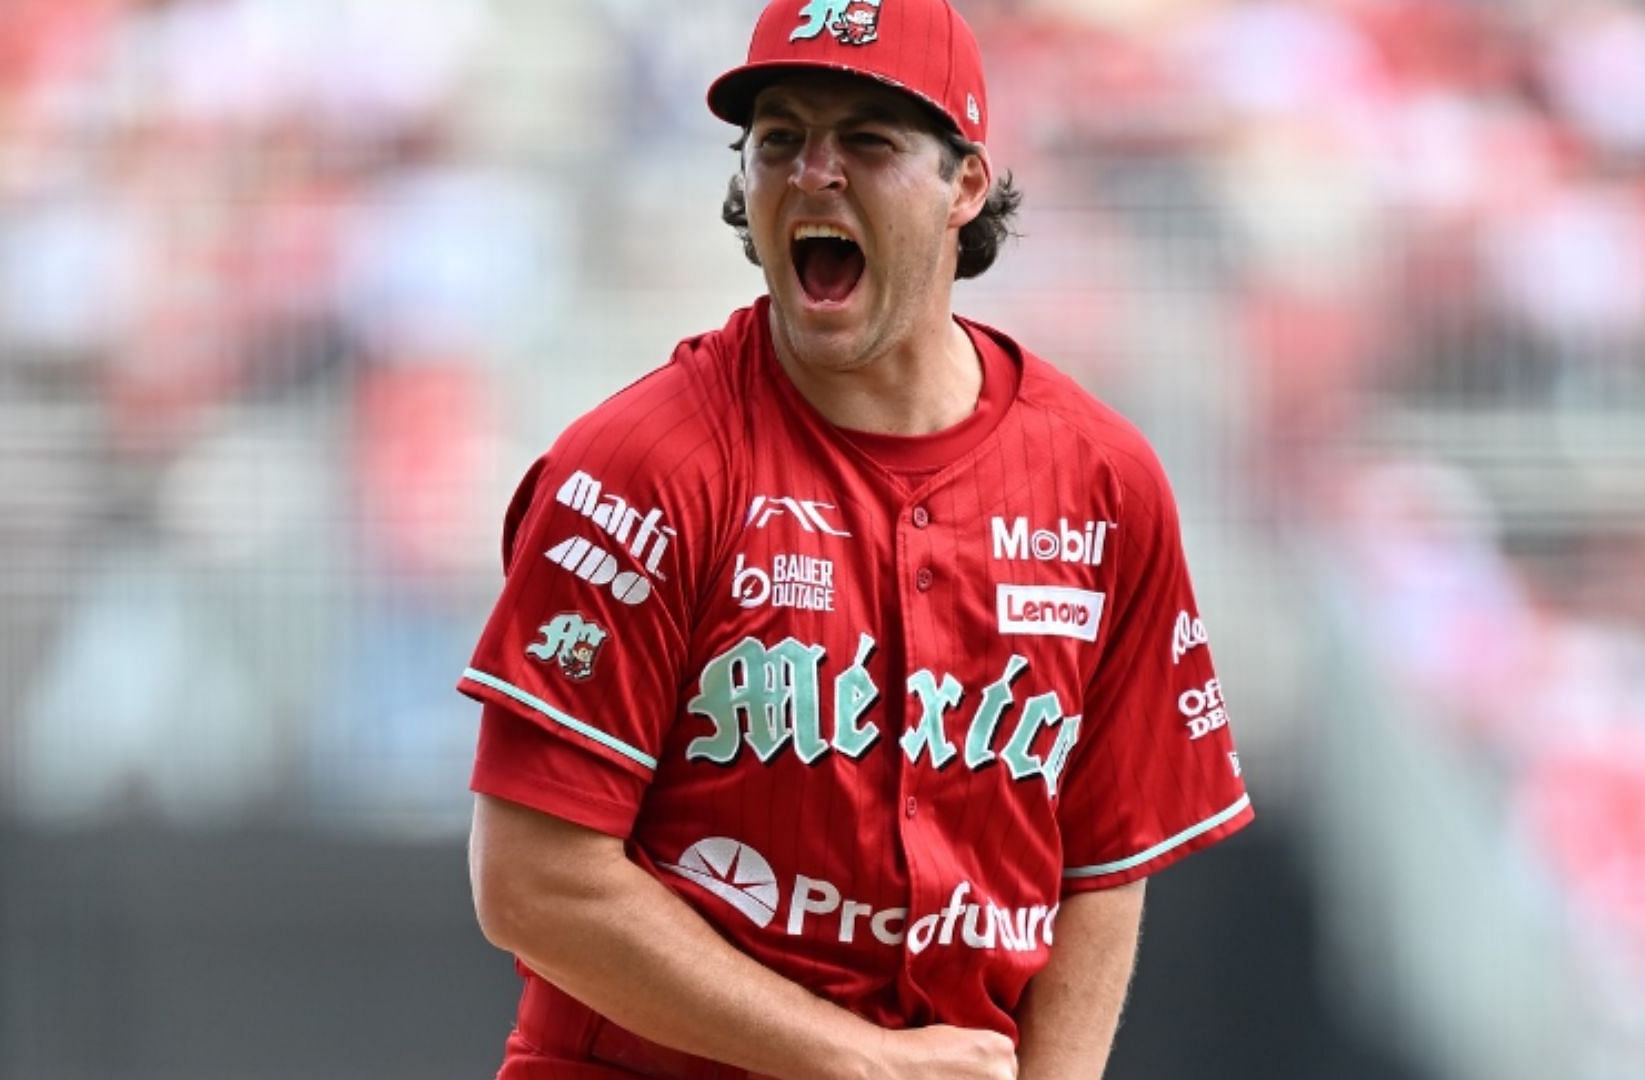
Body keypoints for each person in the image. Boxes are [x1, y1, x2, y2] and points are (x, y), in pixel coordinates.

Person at [460, 1, 1254, 1076]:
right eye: (779, 139)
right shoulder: (641, 468)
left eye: (870, 142)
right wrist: (853, 1060)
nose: (814, 173)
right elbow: (534, 883)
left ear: (965, 185)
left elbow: (1104, 862)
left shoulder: (1103, 483)